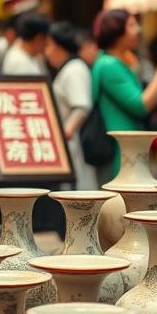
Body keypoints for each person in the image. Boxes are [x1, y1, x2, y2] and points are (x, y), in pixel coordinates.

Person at [90, 8, 157, 171]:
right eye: (131, 25)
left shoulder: (109, 61)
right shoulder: (110, 65)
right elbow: (142, 105)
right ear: (116, 31)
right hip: (122, 153)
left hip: (126, 150)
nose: (138, 30)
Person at [45, 21, 98, 190]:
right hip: (69, 143)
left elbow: (82, 107)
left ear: (58, 46)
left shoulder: (74, 69)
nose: (46, 52)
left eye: (49, 45)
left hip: (73, 143)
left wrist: (66, 131)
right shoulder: (71, 68)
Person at [1, 11, 51, 76]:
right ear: (38, 38)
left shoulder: (22, 50)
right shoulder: (21, 65)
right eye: (46, 39)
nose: (47, 44)